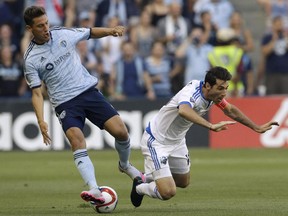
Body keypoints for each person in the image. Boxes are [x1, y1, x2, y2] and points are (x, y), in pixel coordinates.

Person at [23, 6, 143, 207]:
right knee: (77, 140)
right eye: (40, 26)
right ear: (29, 28)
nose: (46, 28)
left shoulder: (62, 33)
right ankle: (94, 189)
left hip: (88, 92)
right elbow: (36, 92)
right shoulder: (31, 59)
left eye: (46, 23)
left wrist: (111, 31)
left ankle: (125, 166)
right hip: (65, 103)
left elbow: (89, 32)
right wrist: (41, 120)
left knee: (121, 132)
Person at [130, 66, 279, 208]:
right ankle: (140, 187)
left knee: (183, 182)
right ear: (208, 85)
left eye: (226, 88)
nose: (224, 93)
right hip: (157, 141)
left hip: (177, 141)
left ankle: (147, 177)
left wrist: (256, 127)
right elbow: (183, 110)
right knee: (168, 192)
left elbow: (230, 110)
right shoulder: (191, 93)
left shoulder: (214, 96)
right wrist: (210, 125)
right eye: (220, 88)